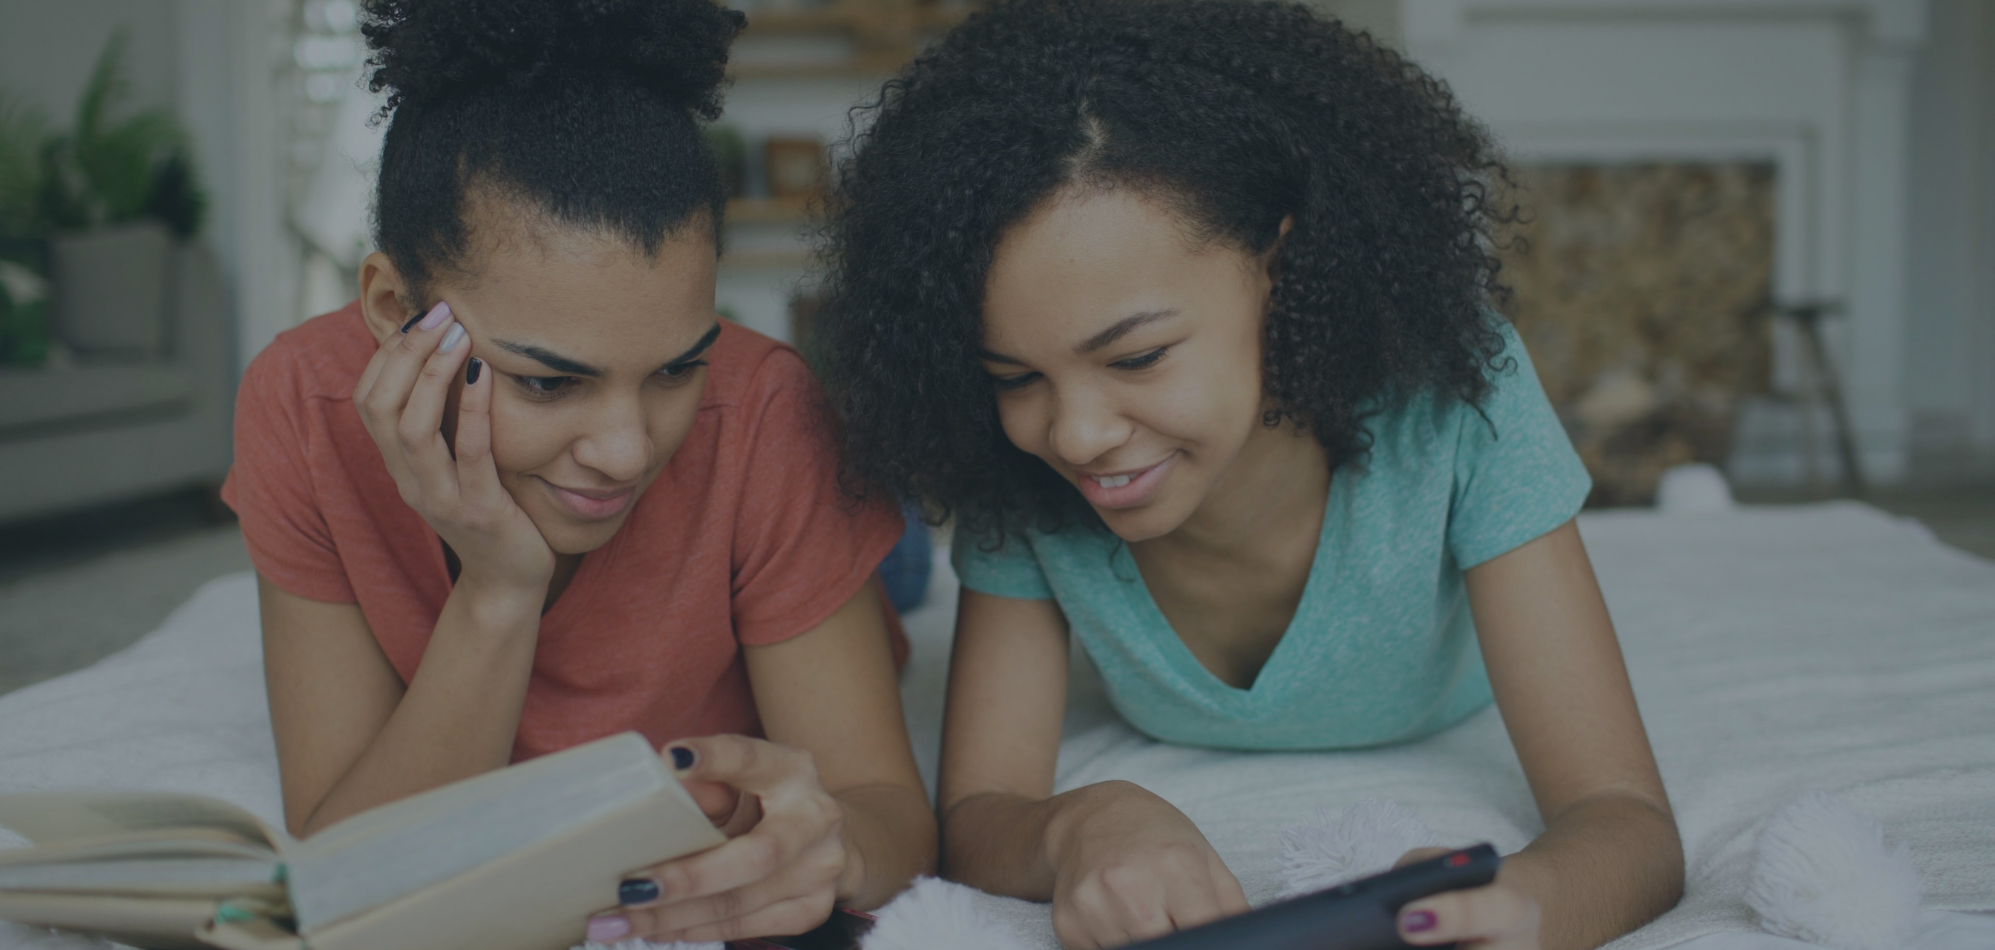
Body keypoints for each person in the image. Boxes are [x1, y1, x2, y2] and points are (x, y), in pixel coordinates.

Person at [810, 1, 1685, 948]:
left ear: (1282, 264)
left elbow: (1625, 821)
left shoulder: (1457, 403)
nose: (1075, 434)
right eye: (1014, 377)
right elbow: (981, 812)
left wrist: (1527, 908)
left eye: (1137, 357)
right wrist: (1086, 822)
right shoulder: (1019, 474)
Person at [221, 0, 934, 943]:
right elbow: (350, 868)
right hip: (742, 495)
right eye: (549, 382)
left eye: (677, 367)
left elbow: (889, 814)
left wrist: (834, 851)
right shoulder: (299, 403)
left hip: (785, 488)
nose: (627, 450)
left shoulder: (763, 408)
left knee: (895, 547)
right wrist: (498, 588)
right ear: (394, 309)